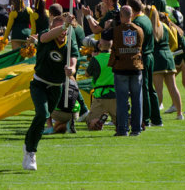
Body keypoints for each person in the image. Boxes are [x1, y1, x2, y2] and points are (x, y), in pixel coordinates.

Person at [22, 13, 77, 170]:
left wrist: (70, 70)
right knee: (41, 114)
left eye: (65, 30)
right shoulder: (47, 37)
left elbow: (73, 61)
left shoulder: (70, 42)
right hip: (39, 84)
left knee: (42, 118)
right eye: (60, 28)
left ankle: (28, 144)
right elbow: (45, 38)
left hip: (56, 87)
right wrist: (64, 25)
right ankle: (31, 151)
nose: (62, 33)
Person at [108, 6, 144, 137]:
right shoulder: (139, 30)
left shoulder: (116, 30)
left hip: (121, 68)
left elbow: (105, 37)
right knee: (137, 99)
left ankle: (122, 129)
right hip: (136, 67)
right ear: (132, 15)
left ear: (121, 16)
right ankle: (136, 128)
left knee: (122, 100)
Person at [127, 0, 162, 128]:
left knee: (144, 88)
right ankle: (156, 118)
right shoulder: (145, 18)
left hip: (143, 57)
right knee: (150, 89)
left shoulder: (138, 22)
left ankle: (145, 119)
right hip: (149, 56)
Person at [150, 10, 183, 120]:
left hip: (157, 58)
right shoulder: (165, 26)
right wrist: (168, 51)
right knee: (173, 87)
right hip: (168, 57)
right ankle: (180, 114)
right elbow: (174, 43)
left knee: (158, 90)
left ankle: (156, 116)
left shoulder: (151, 27)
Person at [84, 34, 116, 131]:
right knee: (122, 123)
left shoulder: (96, 59)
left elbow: (87, 74)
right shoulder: (116, 57)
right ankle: (129, 120)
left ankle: (99, 120)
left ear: (99, 46)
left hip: (100, 97)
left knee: (90, 123)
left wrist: (93, 59)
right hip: (115, 95)